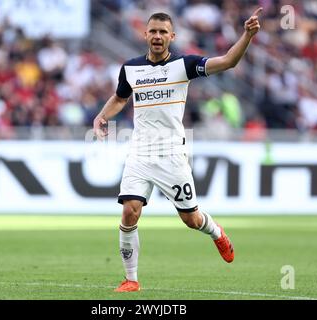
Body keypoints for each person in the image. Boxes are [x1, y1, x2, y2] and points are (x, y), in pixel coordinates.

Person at [93, 9, 263, 292]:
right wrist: (101, 116)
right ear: (145, 34)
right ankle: (131, 279)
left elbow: (229, 62)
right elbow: (120, 98)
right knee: (129, 212)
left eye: (163, 32)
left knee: (191, 219)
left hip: (172, 153)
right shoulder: (131, 68)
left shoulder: (184, 65)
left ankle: (217, 232)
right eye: (153, 31)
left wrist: (247, 34)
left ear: (172, 36)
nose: (157, 36)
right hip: (140, 152)